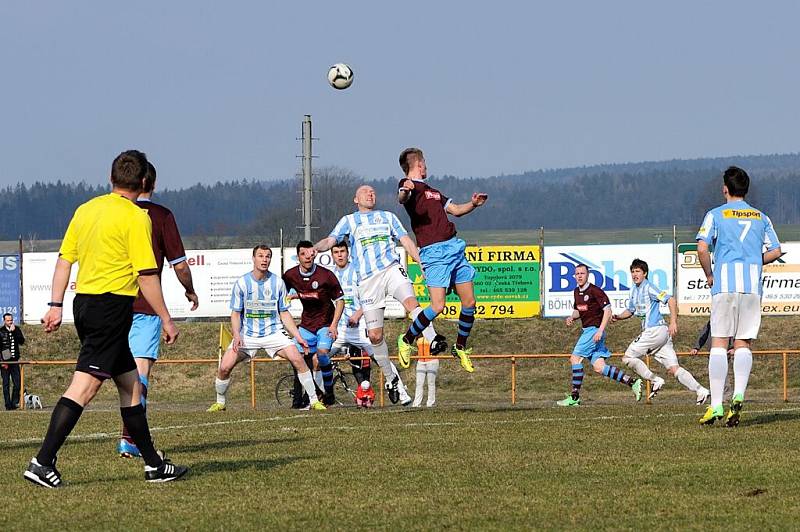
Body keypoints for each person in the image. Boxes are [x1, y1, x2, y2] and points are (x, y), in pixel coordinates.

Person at [25, 150, 188, 488]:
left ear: (111, 178)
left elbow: (63, 261)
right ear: (143, 182)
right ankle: (42, 461)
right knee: (84, 386)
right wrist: (167, 319)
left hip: (84, 306)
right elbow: (146, 275)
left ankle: (154, 465)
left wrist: (55, 304)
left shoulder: (86, 209)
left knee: (130, 386)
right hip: (111, 309)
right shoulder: (135, 217)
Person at [314, 185, 442, 405]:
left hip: (391, 269)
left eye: (372, 192)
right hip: (368, 280)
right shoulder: (349, 221)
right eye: (365, 192)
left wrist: (420, 262)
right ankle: (391, 379)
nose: (370, 194)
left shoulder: (388, 217)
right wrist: (317, 248)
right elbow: (330, 240)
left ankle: (433, 339)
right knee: (375, 336)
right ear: (356, 199)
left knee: (411, 302)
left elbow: (406, 241)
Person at [118, 161, 199, 458]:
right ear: (151, 183)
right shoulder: (162, 215)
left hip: (112, 305)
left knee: (92, 376)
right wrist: (189, 289)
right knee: (139, 375)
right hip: (145, 307)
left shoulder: (113, 212)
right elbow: (179, 264)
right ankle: (131, 438)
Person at [696, 166, 781, 426]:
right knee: (743, 343)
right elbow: (776, 251)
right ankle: (740, 394)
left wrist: (710, 273)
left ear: (725, 189)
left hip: (725, 285)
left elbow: (702, 247)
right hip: (751, 287)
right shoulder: (761, 217)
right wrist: (754, 261)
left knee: (719, 344)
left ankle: (716, 406)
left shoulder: (715, 215)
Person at [396, 148, 487, 374]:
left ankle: (460, 347)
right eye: (424, 162)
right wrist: (405, 190)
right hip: (434, 253)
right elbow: (402, 197)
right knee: (438, 306)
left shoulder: (434, 192)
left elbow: (456, 210)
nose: (427, 166)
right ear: (418, 163)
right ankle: (407, 340)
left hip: (453, 247)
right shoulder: (408, 185)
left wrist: (473, 204)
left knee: (470, 303)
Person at [208, 245, 325, 412]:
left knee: (298, 358)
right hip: (247, 335)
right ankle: (220, 403)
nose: (264, 259)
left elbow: (284, 313)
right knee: (225, 367)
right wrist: (236, 335)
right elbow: (235, 313)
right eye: (261, 256)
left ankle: (314, 401)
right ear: (253, 258)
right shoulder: (242, 283)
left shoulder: (277, 283)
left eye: (268, 256)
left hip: (274, 333)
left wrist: (298, 337)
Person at [612, 259, 710, 405]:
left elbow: (671, 300)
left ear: (645, 273)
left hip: (654, 330)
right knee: (673, 369)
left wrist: (673, 322)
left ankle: (655, 380)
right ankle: (701, 390)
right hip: (661, 335)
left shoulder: (649, 287)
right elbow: (631, 310)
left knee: (627, 358)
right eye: (632, 271)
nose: (635, 274)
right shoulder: (633, 290)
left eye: (638, 271)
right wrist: (618, 317)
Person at [328, 240, 410, 405]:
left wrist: (358, 314)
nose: (339, 255)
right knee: (319, 357)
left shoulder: (358, 271)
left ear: (347, 252)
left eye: (342, 251)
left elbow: (370, 297)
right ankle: (316, 398)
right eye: (336, 252)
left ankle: (401, 391)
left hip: (362, 327)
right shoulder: (330, 275)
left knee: (381, 358)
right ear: (332, 255)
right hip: (341, 329)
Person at [556, 264, 642, 406]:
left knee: (575, 359)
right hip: (589, 331)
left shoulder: (595, 291)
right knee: (599, 367)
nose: (579, 276)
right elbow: (579, 310)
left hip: (594, 331)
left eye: (582, 273)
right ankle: (632, 382)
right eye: (577, 273)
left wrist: (600, 330)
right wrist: (572, 317)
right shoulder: (576, 292)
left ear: (588, 274)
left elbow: (607, 311)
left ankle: (575, 397)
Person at [283, 241, 345, 406]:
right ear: (298, 257)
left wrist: (334, 325)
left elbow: (340, 301)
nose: (307, 257)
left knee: (321, 354)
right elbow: (281, 293)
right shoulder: (290, 275)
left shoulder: (326, 275)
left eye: (310, 253)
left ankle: (329, 391)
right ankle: (309, 396)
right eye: (303, 254)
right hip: (306, 326)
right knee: (295, 356)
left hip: (325, 324)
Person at [1, 313, 24, 410]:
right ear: (4, 321)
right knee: (6, 384)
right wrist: (2, 361)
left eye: (11, 320)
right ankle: (8, 404)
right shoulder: (1, 331)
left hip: (15, 361)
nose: (10, 322)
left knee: (17, 383)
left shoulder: (17, 329)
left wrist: (14, 332)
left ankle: (14, 403)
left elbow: (22, 341)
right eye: (8, 320)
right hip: (5, 360)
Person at [412, 338, 439, 408]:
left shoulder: (432, 336)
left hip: (432, 361)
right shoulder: (418, 336)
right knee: (419, 383)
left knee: (431, 383)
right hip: (420, 361)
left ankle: (431, 403)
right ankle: (416, 404)